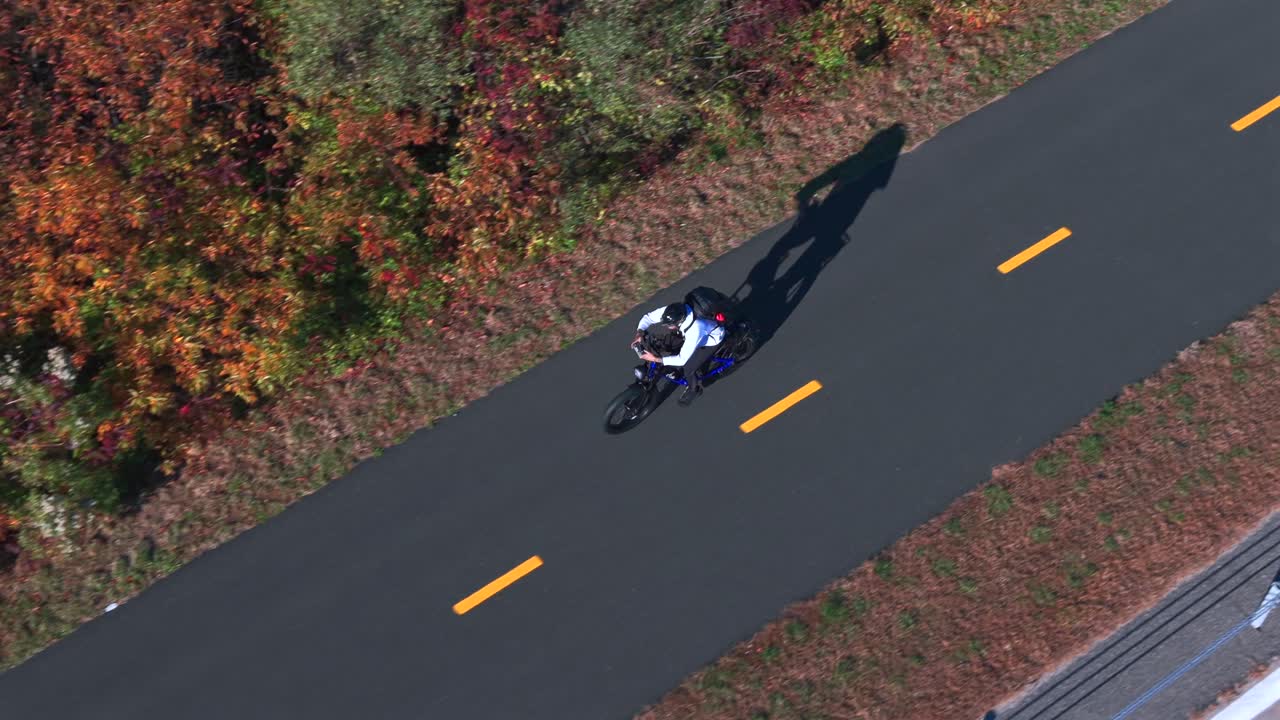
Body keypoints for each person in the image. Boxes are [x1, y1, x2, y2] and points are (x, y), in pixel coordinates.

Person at [632, 300, 725, 406]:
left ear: (679, 322)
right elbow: (648, 318)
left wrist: (656, 359)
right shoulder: (672, 312)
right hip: (687, 332)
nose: (667, 327)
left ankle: (694, 389)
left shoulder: (695, 329)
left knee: (688, 368)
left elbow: (682, 359)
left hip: (709, 340)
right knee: (662, 342)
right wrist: (640, 333)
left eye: (669, 325)